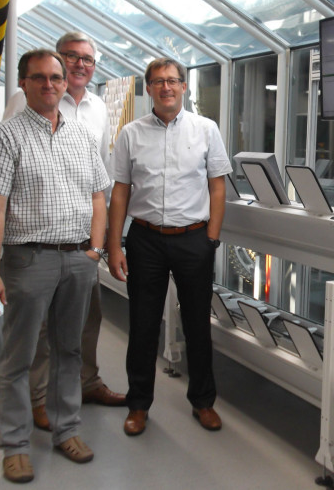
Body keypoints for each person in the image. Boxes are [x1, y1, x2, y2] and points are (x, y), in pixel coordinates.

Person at [0, 49, 110, 483]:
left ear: (66, 83)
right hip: (28, 259)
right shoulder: (8, 136)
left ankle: (66, 430)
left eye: (56, 77)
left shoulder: (80, 135)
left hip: (77, 259)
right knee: (18, 357)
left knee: (69, 351)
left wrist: (94, 251)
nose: (50, 84)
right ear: (23, 83)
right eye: (39, 78)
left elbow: (99, 195)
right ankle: (15, 446)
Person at [3, 32, 125, 433]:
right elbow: (6, 179)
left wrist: (98, 247)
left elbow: (100, 187)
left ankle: (86, 383)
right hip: (35, 246)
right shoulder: (26, 102)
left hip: (80, 246)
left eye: (87, 59)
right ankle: (39, 399)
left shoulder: (97, 109)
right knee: (38, 329)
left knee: (87, 320)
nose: (79, 65)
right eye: (71, 57)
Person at [107, 57, 232, 436]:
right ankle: (139, 405)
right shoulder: (131, 133)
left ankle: (203, 402)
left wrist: (211, 237)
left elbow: (217, 185)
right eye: (158, 81)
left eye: (173, 81)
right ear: (148, 88)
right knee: (143, 324)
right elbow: (120, 191)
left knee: (197, 325)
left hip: (194, 239)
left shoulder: (206, 129)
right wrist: (114, 245)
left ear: (184, 87)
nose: (166, 87)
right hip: (145, 240)